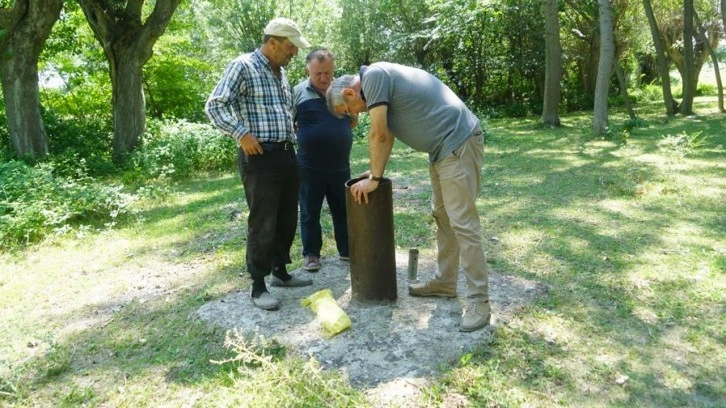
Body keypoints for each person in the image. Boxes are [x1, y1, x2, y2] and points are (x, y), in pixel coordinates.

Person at [326, 62, 490, 332]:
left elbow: (378, 133)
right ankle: (445, 283)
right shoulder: (377, 87)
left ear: (349, 93)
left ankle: (479, 300)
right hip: (442, 150)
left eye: (347, 112)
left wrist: (376, 180)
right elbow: (386, 135)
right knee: (444, 218)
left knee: (462, 223)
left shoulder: (374, 77)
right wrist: (374, 172)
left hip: (458, 142)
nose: (352, 118)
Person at [205, 18, 313, 311]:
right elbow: (215, 104)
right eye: (290, 48)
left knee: (287, 217)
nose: (294, 54)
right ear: (273, 42)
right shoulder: (243, 65)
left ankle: (280, 272)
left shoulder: (281, 74)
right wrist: (241, 134)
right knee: (263, 222)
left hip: (287, 154)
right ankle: (258, 285)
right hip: (260, 157)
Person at [293, 49, 355, 272]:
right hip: (309, 166)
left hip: (340, 165)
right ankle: (311, 255)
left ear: (333, 70)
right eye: (317, 73)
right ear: (308, 70)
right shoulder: (297, 92)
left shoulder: (343, 89)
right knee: (310, 210)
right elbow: (289, 123)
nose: (323, 78)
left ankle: (347, 250)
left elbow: (353, 118)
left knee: (343, 210)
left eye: (327, 72)